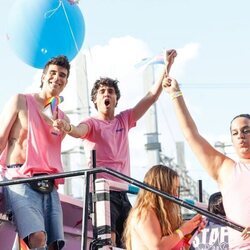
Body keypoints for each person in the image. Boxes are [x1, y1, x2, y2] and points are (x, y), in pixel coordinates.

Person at [53, 49, 177, 247]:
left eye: (110, 91)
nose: (106, 94)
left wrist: (167, 67)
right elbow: (77, 130)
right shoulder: (92, 123)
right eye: (102, 92)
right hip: (102, 194)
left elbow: (152, 96)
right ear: (95, 100)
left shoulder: (124, 120)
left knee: (130, 239)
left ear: (116, 100)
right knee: (107, 241)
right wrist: (67, 127)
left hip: (122, 191)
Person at [163, 76, 250, 249]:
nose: (240, 135)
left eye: (246, 130)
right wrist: (175, 95)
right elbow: (191, 135)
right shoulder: (227, 169)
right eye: (235, 133)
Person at [0, 55, 71, 249]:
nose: (57, 78)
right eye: (53, 73)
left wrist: (66, 127)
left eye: (62, 75)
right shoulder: (20, 101)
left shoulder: (63, 119)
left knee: (53, 244)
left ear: (66, 83)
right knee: (37, 237)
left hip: (49, 185)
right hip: (19, 179)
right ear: (43, 76)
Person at [123, 164, 204, 250]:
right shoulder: (144, 212)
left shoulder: (165, 216)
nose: (176, 194)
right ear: (163, 189)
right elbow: (158, 247)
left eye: (177, 189)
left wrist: (191, 233)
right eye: (173, 189)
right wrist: (183, 231)